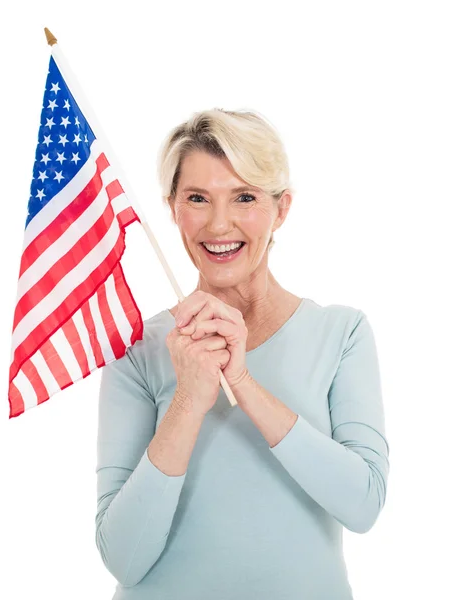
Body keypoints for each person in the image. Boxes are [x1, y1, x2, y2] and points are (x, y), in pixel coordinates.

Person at [95, 108, 390, 599]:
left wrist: (244, 382)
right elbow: (123, 555)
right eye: (197, 199)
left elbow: (362, 505)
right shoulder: (136, 352)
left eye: (245, 197)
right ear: (173, 208)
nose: (219, 223)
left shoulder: (342, 333)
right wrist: (189, 398)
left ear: (282, 208)